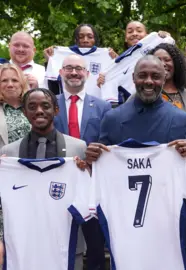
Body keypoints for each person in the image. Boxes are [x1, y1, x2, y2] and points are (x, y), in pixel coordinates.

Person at [0, 88, 88, 270]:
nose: (39, 110)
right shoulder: (8, 154)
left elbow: (89, 194)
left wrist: (87, 170)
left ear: (56, 110)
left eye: (45, 106)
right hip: (23, 245)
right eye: (32, 107)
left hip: (66, 242)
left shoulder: (78, 148)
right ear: (24, 112)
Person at [85, 55, 186, 179]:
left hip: (169, 196)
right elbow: (101, 173)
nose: (148, 81)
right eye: (142, 76)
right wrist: (91, 160)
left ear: (164, 79)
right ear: (133, 78)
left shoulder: (183, 120)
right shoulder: (112, 118)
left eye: (155, 76)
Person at [52, 54, 111, 270]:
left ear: (87, 73)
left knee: (95, 242)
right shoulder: (49, 103)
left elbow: (107, 140)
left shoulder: (103, 106)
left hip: (92, 181)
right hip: (57, 180)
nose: (74, 72)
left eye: (79, 68)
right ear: (60, 73)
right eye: (69, 68)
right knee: (60, 237)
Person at [43, 24, 119, 95]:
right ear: (76, 39)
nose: (85, 40)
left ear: (95, 39)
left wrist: (117, 60)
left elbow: (117, 79)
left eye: (90, 37)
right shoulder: (61, 54)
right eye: (81, 36)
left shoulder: (106, 55)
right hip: (69, 102)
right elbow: (52, 81)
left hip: (96, 104)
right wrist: (50, 60)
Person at [147, 43, 186, 120]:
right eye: (157, 60)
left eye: (167, 60)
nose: (162, 64)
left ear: (176, 64)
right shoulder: (141, 96)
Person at [0, 64, 31, 149]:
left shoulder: (33, 107)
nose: (10, 84)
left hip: (33, 160)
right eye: (4, 80)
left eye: (15, 80)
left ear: (22, 83)